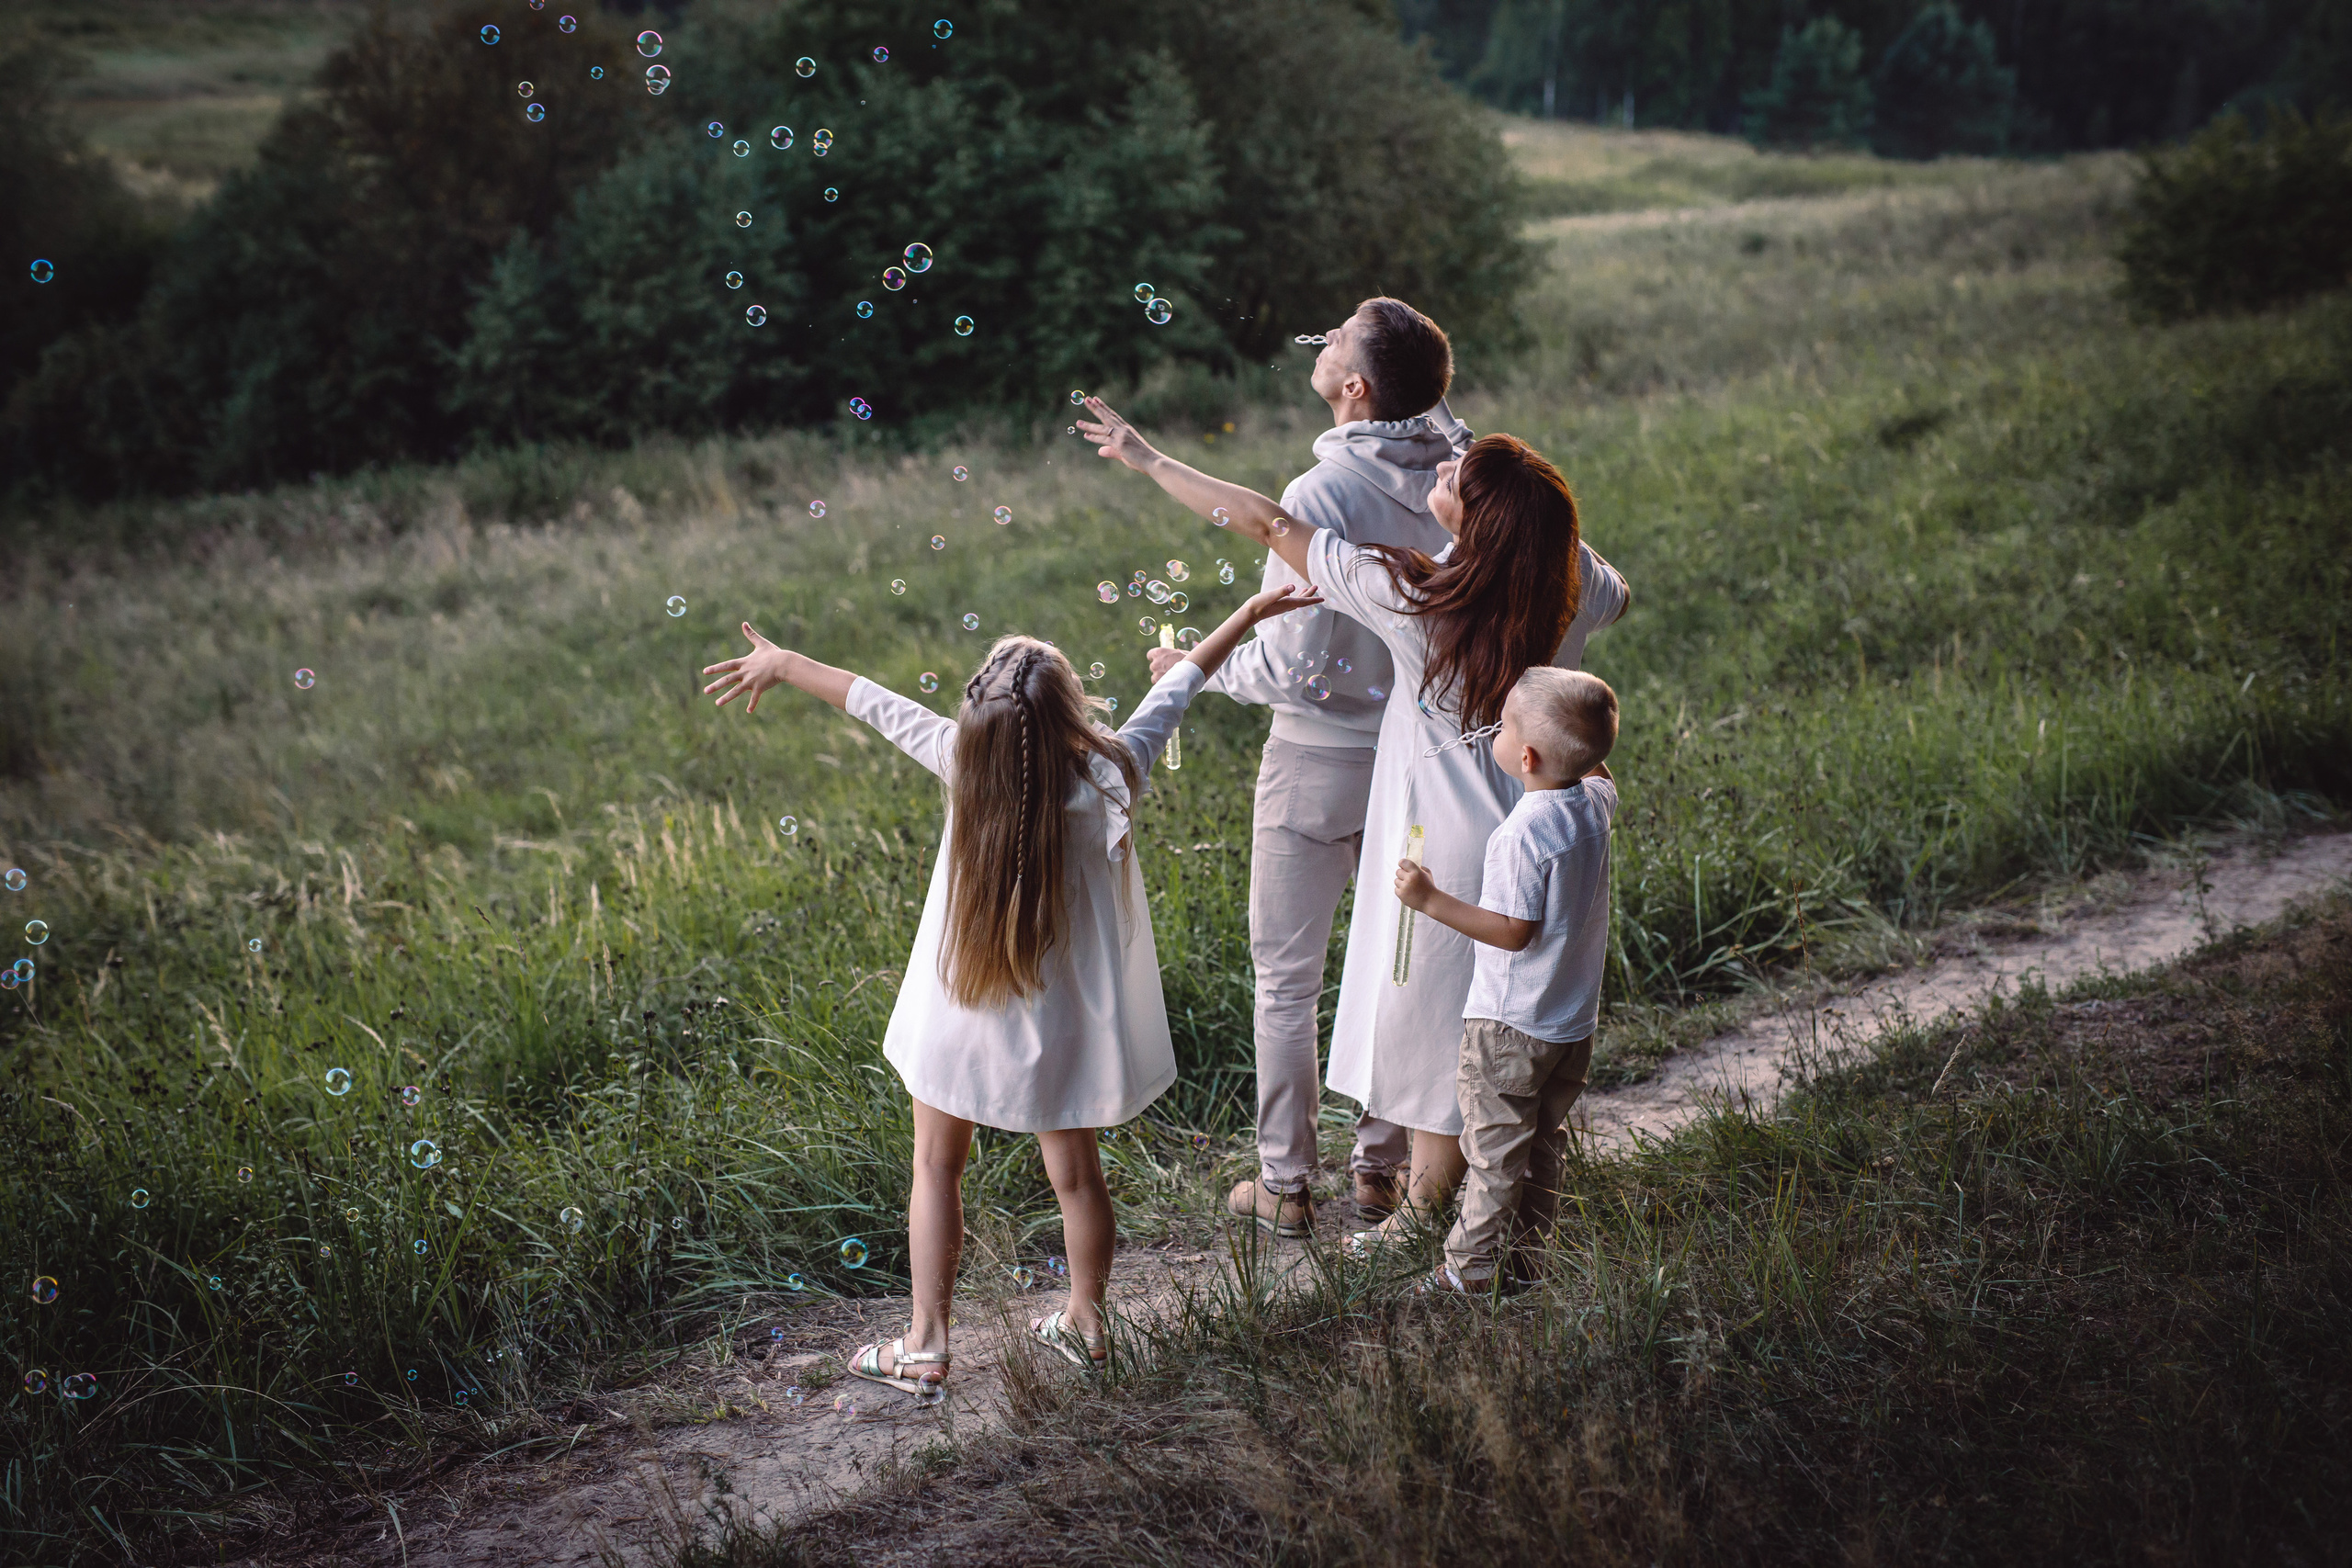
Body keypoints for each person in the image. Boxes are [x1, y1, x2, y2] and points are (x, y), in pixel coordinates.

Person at [697, 581, 1323, 1397]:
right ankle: (1088, 1324)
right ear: (1070, 715)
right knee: (1076, 1176)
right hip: (1061, 1023)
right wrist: (1244, 615)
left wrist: (783, 662)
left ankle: (925, 1343)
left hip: (958, 1008)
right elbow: (1177, 686)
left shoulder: (964, 761)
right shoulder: (1111, 773)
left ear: (977, 725)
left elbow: (872, 701)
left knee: (934, 1166)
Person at [1080, 403, 1628, 1247]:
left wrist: (1148, 459)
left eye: (1454, 479)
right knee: (1479, 1022)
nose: (1438, 471)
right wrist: (1497, 471)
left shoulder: (1416, 602)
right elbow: (1603, 581)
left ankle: (1422, 1214)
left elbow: (1269, 521)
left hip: (1443, 849)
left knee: (1433, 1025)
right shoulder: (1573, 583)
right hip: (1530, 828)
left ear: (1480, 526)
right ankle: (1438, 1192)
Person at [1141, 297, 1473, 1236]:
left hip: (1315, 760)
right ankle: (1379, 1169)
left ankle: (1285, 1185)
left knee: (1286, 979)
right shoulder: (1458, 483)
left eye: (1334, 341)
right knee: (1385, 964)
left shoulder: (1319, 495)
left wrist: (1197, 669)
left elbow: (1291, 661)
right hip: (1413, 762)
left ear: (1353, 387)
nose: (1318, 344)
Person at [1393, 667, 1618, 1292]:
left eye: (1507, 720)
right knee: (1543, 1144)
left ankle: (1468, 1271)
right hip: (1570, 1023)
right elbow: (1598, 766)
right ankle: (1524, 1263)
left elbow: (1514, 930)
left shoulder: (1520, 834)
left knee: (1493, 1154)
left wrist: (1430, 898)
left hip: (1510, 1027)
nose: (1496, 721)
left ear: (1525, 755)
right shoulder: (1596, 802)